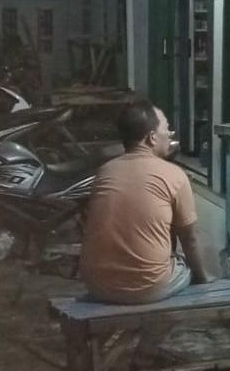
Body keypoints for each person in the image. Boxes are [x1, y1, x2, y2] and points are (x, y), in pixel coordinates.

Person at [80, 100, 214, 304]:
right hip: (145, 287)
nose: (169, 134)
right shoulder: (174, 175)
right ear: (152, 137)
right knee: (186, 266)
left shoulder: (105, 171)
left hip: (96, 284)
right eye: (166, 128)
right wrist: (203, 279)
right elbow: (190, 240)